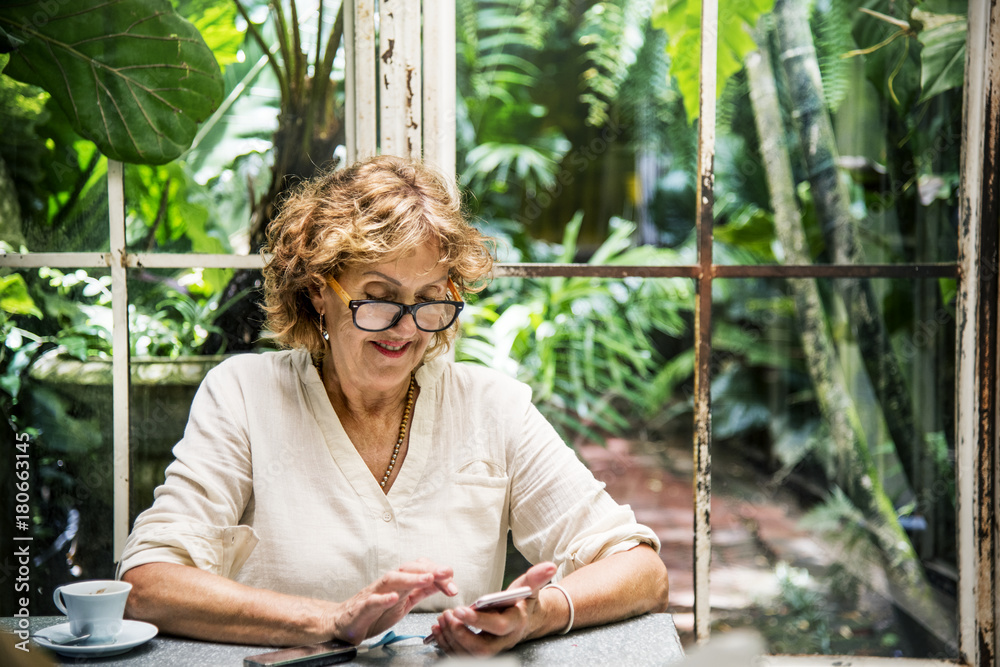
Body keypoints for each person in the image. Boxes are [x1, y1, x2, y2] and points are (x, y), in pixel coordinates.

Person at [118, 155, 669, 656]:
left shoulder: (491, 407)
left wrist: (538, 614)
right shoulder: (244, 395)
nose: (406, 327)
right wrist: (333, 620)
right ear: (316, 290)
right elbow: (147, 581)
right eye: (380, 296)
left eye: (429, 299)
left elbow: (641, 569)